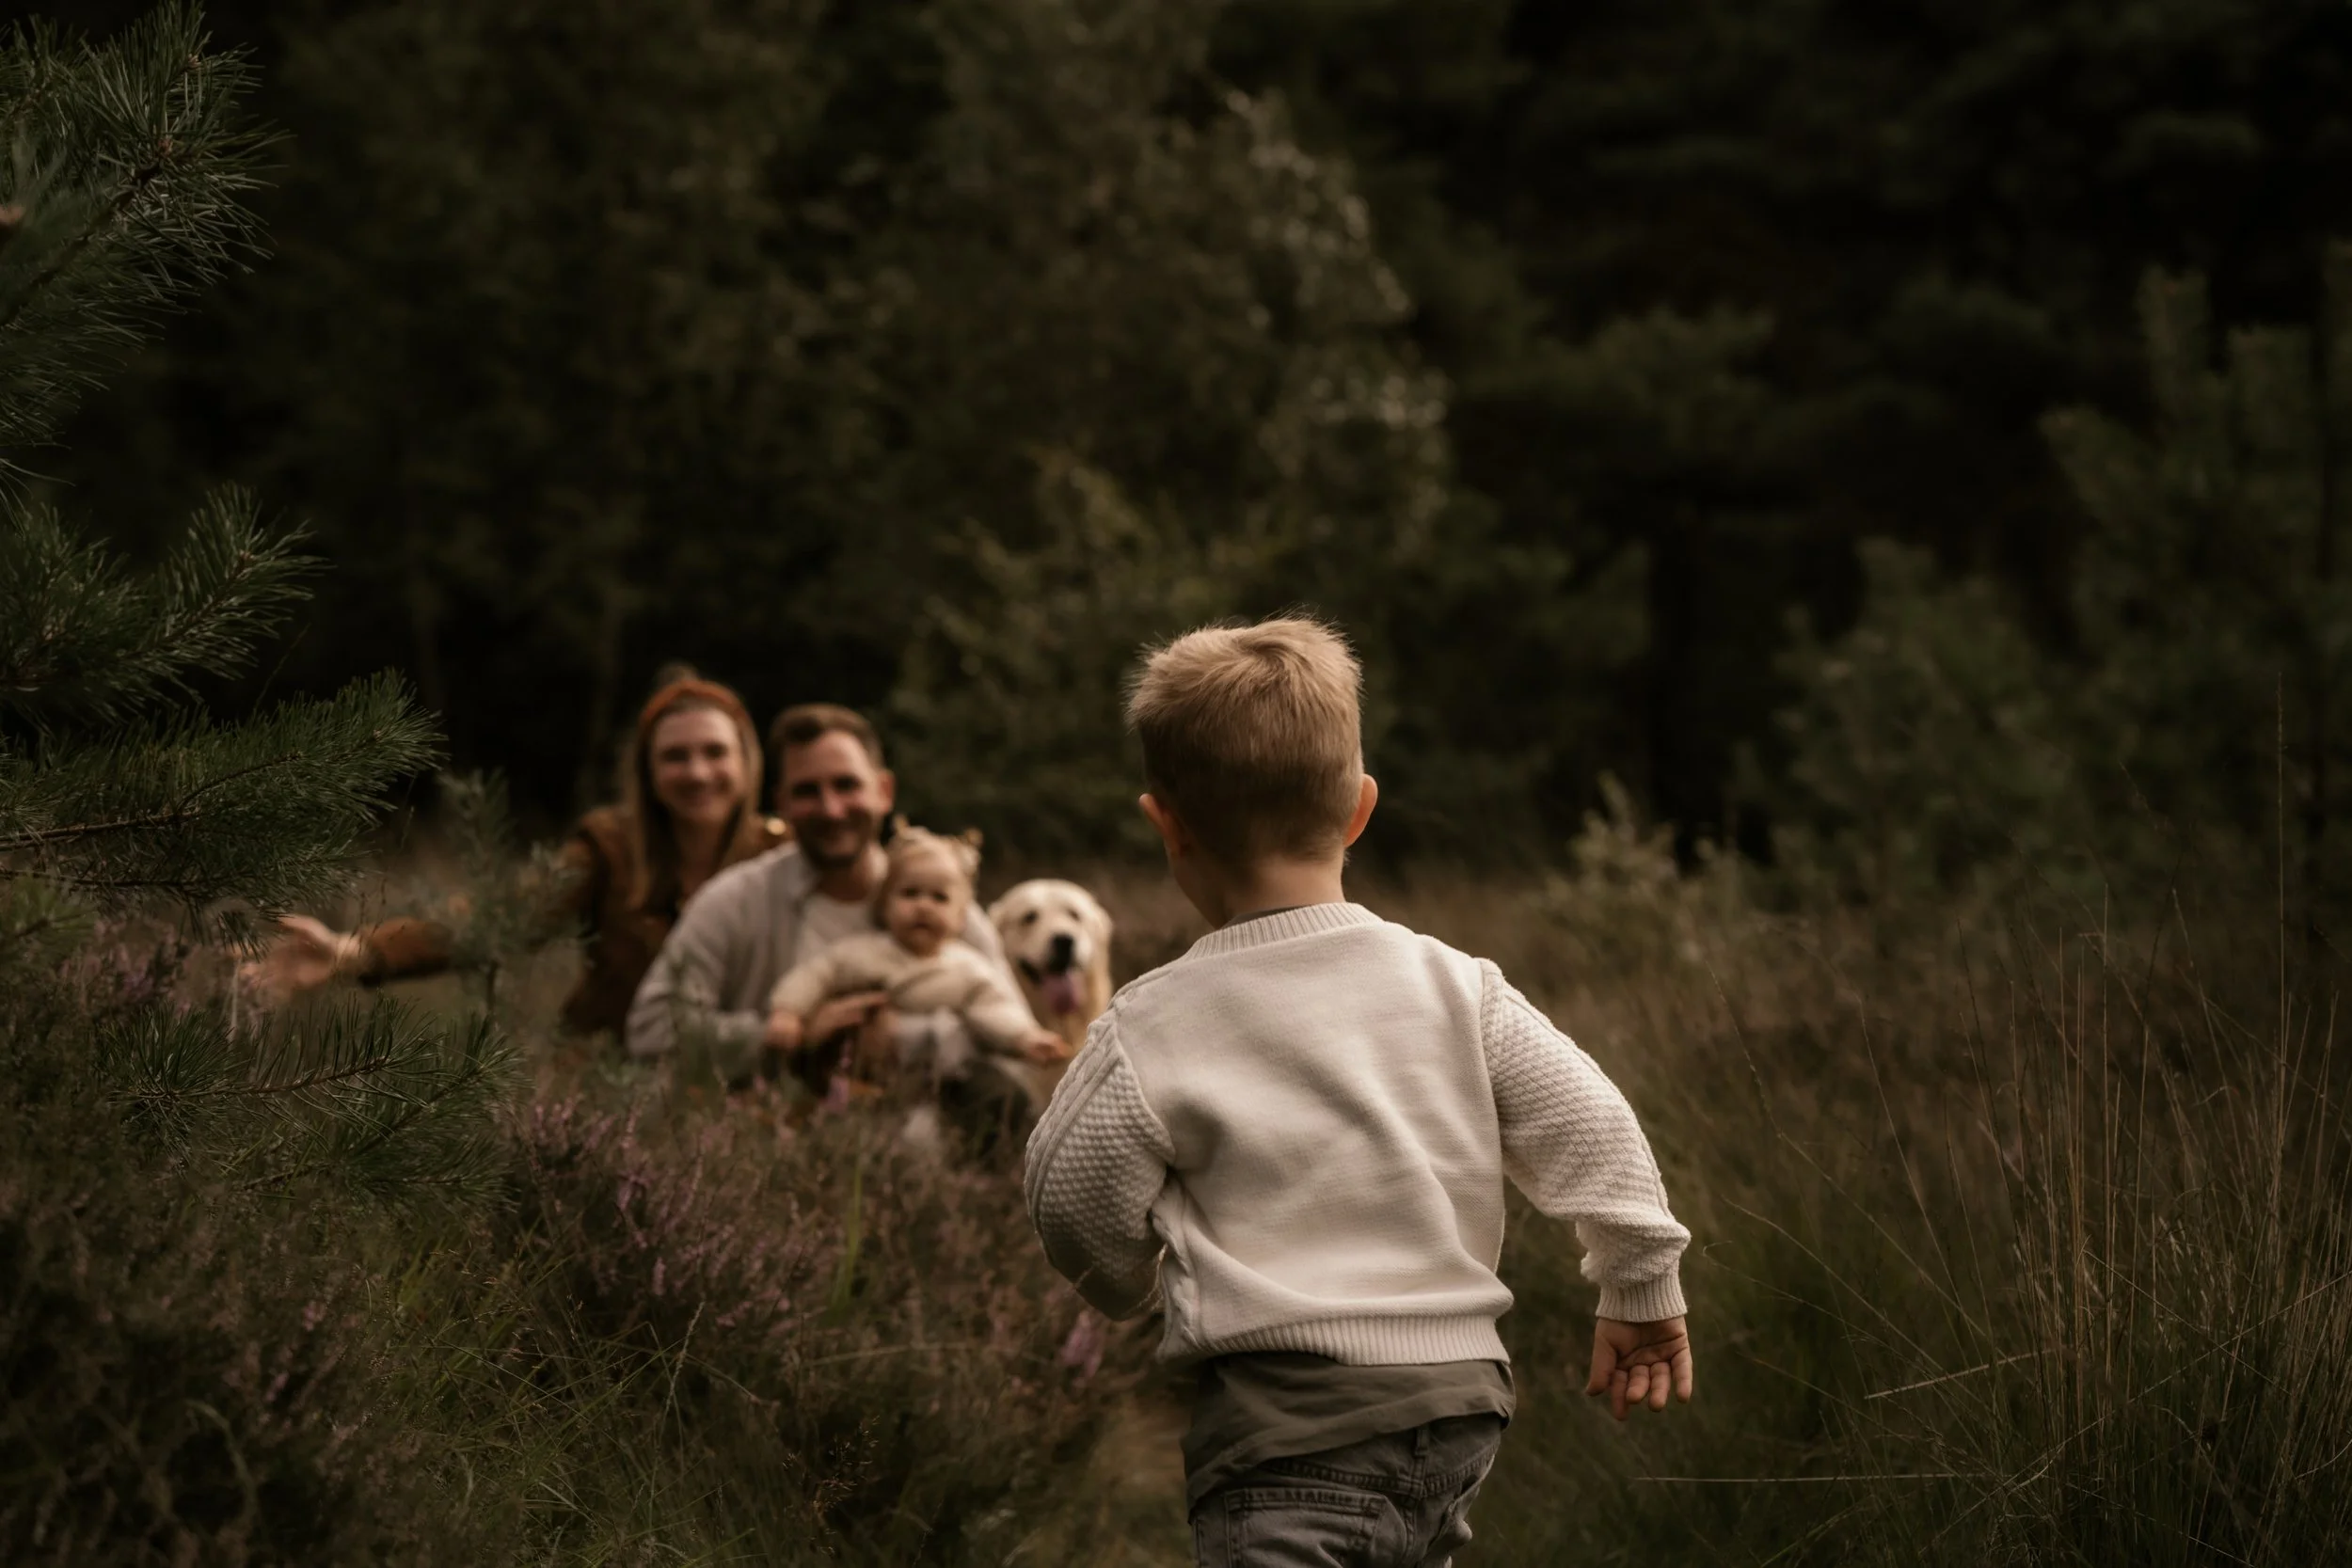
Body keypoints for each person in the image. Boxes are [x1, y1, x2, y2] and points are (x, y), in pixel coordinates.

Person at [1023, 617, 1693, 1568]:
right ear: (1359, 808)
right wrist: (1639, 1282)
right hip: (1457, 1409)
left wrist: (1125, 1284)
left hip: (1284, 1427)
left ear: (1164, 822)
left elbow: (1068, 1192)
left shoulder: (1153, 1022)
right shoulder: (1458, 986)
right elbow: (1593, 1123)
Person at [251, 676, 785, 1038]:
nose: (697, 771)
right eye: (675, 756)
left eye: (715, 752)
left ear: (746, 761)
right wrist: (353, 952)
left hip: (741, 1083)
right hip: (616, 1080)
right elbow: (499, 917)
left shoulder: (780, 857)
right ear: (648, 774)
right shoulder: (611, 850)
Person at [626, 703, 1012, 1083]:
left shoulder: (943, 903)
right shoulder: (734, 900)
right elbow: (652, 1029)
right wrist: (782, 1036)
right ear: (782, 805)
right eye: (808, 791)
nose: (831, 809)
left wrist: (911, 1039)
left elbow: (1014, 1035)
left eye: (847, 785)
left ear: (883, 790)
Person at [765, 826, 1071, 1099]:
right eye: (910, 894)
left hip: (935, 1086)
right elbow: (815, 976)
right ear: (884, 905)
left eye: (939, 898)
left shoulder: (967, 968)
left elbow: (994, 1006)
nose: (923, 906)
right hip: (857, 1082)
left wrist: (1026, 1038)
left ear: (961, 917)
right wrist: (788, 1012)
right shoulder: (861, 952)